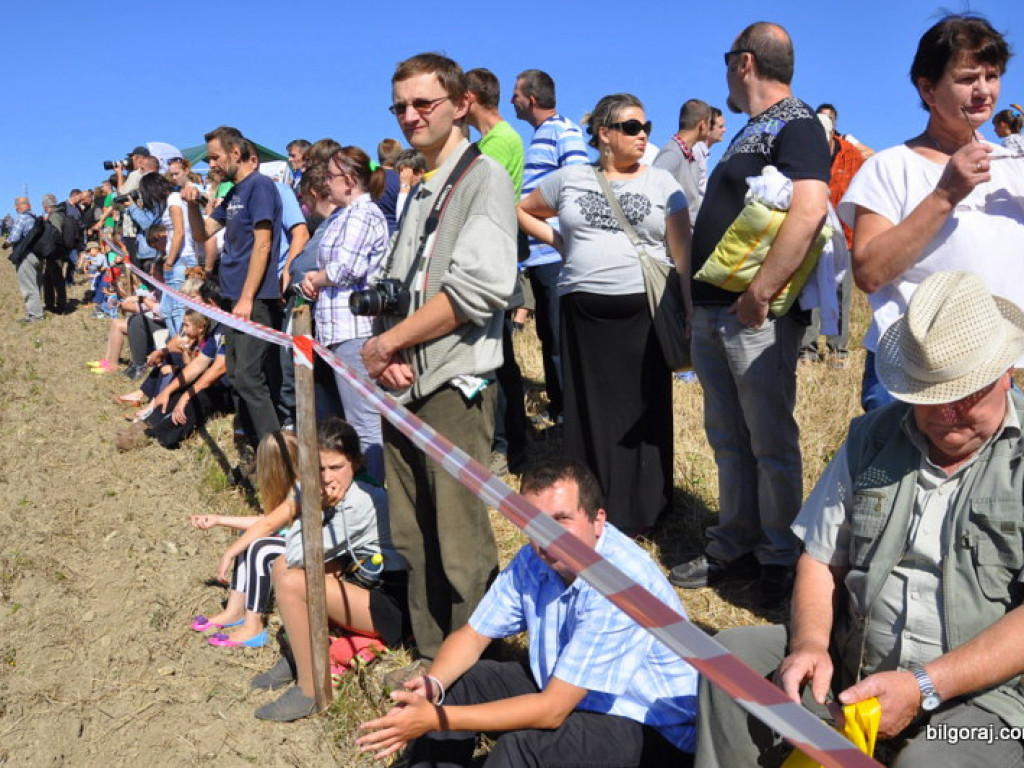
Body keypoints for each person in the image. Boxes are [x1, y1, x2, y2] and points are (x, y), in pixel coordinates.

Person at [694, 270, 1024, 768]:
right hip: (856, 667)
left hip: (990, 702)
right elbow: (820, 559)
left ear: (1006, 375)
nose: (947, 414)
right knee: (731, 660)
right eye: (929, 397)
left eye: (965, 394)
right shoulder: (871, 438)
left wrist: (923, 687)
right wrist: (810, 645)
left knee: (931, 762)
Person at [357, 457, 699, 767]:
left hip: (649, 728)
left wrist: (438, 720)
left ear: (598, 520)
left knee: (522, 750)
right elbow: (474, 635)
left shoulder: (621, 584)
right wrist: (433, 686)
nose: (547, 537)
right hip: (572, 691)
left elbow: (553, 711)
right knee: (463, 682)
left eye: (561, 520)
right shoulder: (533, 560)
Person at [359, 52, 516, 661]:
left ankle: (477, 670)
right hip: (403, 381)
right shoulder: (420, 186)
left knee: (458, 539)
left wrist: (393, 341)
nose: (410, 116)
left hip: (455, 384)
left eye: (424, 103)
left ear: (461, 104)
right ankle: (430, 661)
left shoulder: (483, 179)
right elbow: (401, 283)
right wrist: (390, 346)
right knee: (412, 532)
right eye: (400, 106)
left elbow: (478, 289)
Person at [669, 22, 830, 604]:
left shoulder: (799, 124)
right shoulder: (747, 133)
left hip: (753, 314)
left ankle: (780, 559)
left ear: (743, 63)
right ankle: (733, 543)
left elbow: (809, 210)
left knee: (768, 440)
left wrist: (761, 291)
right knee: (727, 437)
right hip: (716, 310)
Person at [518, 93, 690, 537]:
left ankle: (646, 510)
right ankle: (592, 506)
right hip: (582, 316)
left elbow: (683, 258)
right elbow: (522, 209)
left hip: (642, 316)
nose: (642, 135)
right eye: (632, 127)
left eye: (646, 127)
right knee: (587, 411)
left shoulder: (663, 185)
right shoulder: (570, 178)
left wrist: (690, 315)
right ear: (604, 134)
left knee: (643, 412)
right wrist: (560, 243)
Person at [843, 14, 1024, 412]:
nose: (983, 91)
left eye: (992, 76)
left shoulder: (1014, 166)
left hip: (994, 373)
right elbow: (869, 272)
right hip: (912, 376)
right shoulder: (890, 167)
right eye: (967, 79)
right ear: (927, 88)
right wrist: (945, 195)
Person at [251, 418, 407, 722]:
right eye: (318, 469)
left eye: (336, 467)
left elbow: (296, 555)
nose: (326, 477)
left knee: (289, 573)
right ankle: (301, 655)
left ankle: (312, 690)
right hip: (361, 582)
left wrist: (308, 506)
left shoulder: (359, 502)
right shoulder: (343, 494)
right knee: (297, 569)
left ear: (356, 462)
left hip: (388, 606)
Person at [183, 126, 284, 453]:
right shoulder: (233, 192)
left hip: (252, 300)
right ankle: (253, 448)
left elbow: (263, 243)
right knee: (239, 377)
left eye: (215, 157)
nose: (210, 163)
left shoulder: (260, 186)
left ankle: (277, 454)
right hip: (232, 299)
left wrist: (246, 297)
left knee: (250, 378)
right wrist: (192, 206)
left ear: (236, 153)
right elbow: (203, 234)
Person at [300, 146, 389, 482]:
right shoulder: (343, 215)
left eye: (332, 177)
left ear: (350, 181)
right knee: (353, 421)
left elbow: (344, 269)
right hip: (337, 330)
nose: (327, 183)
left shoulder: (363, 215)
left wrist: (314, 278)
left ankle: (375, 496)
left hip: (356, 329)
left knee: (364, 423)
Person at [512, 68, 590, 426]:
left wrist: (562, 243)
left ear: (530, 98)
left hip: (554, 252)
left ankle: (568, 412)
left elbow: (577, 186)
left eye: (515, 94)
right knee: (550, 334)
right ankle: (561, 406)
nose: (511, 100)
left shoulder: (562, 131)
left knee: (560, 337)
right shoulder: (544, 134)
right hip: (543, 254)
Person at [465, 66, 528, 475]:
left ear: (468, 99)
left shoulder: (499, 142)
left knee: (499, 357)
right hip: (491, 258)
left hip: (495, 259)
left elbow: (479, 197)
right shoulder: (490, 141)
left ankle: (508, 445)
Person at [189, 430, 300, 647]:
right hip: (292, 539)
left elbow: (267, 526)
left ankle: (254, 625)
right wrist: (218, 519)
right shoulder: (289, 488)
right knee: (247, 538)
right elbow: (267, 521)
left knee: (261, 547)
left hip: (310, 546)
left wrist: (229, 553)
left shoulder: (300, 490)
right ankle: (234, 611)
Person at [798, 109, 866, 367]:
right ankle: (808, 348)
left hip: (845, 236)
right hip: (812, 234)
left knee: (841, 292)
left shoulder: (851, 155)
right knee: (811, 291)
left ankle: (838, 349)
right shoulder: (804, 153)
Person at [653, 98, 712, 223]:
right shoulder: (672, 154)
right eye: (709, 123)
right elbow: (653, 190)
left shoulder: (690, 157)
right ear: (702, 124)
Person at [6, 196, 44, 323]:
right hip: (38, 255)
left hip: (26, 256)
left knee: (28, 286)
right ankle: (38, 309)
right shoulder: (35, 218)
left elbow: (14, 237)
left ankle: (35, 315)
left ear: (18, 206)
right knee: (37, 284)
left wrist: (6, 244)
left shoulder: (21, 218)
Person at [39, 194, 68, 314]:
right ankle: (50, 304)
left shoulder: (55, 216)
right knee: (48, 279)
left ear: (46, 206)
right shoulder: (58, 214)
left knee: (57, 279)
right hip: (54, 252)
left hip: (55, 252)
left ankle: (60, 306)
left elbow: (56, 233)